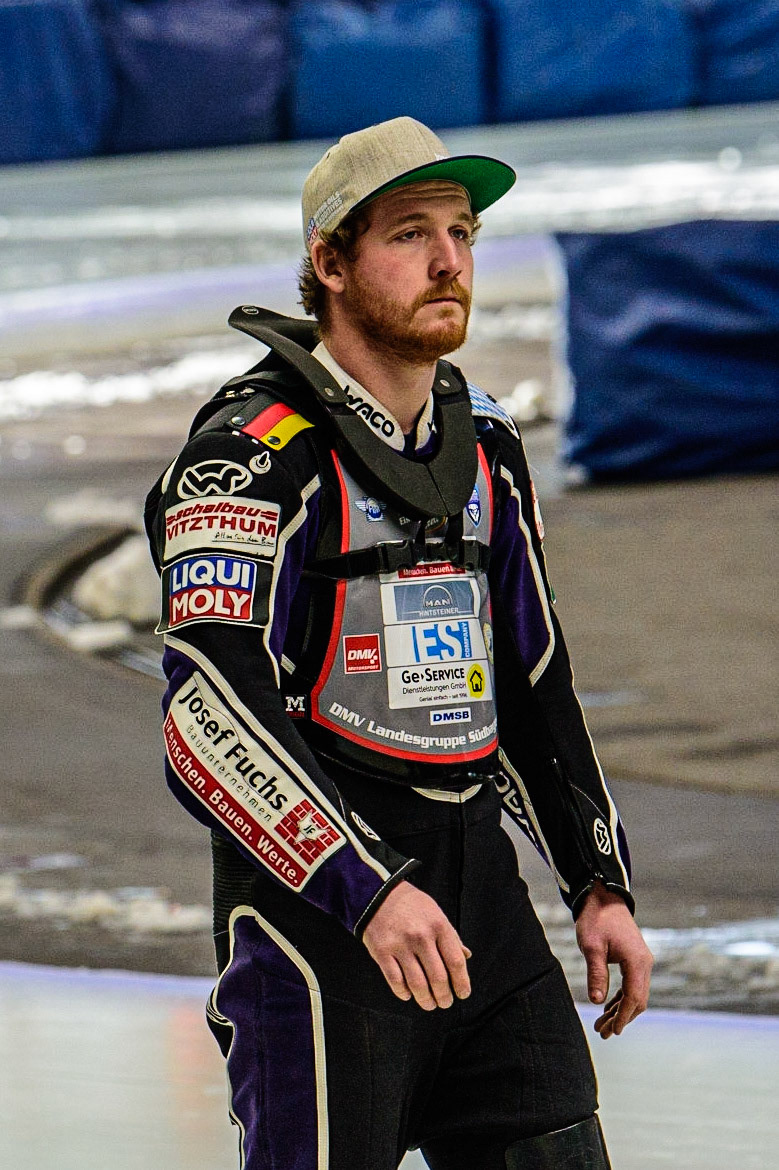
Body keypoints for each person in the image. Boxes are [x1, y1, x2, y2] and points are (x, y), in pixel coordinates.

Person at [145, 116, 652, 1170]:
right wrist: (362, 886)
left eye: (461, 232)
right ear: (330, 264)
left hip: (480, 908)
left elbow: (532, 675)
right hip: (317, 925)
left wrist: (595, 879)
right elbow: (204, 711)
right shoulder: (246, 456)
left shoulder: (486, 440)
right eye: (410, 234)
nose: (448, 261)